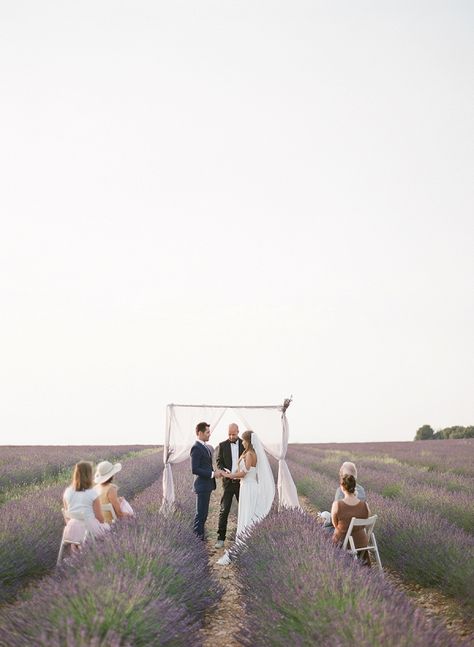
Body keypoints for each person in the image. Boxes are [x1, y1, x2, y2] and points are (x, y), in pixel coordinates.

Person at [217, 430, 275, 565]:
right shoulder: (248, 453)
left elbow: (243, 473)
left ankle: (242, 546)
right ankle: (244, 546)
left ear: (248, 441)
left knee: (247, 516)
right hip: (246, 487)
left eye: (243, 440)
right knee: (245, 515)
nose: (242, 442)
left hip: (249, 487)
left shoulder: (249, 454)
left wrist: (229, 475)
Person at [62, 461, 110, 550]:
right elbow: (100, 519)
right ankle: (100, 556)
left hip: (71, 531)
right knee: (108, 528)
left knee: (79, 535)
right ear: (89, 475)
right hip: (89, 530)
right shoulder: (92, 493)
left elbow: (67, 516)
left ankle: (77, 554)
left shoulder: (67, 492)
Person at [190, 421, 223, 540]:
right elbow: (195, 469)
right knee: (200, 515)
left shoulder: (204, 446)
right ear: (200, 433)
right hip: (202, 486)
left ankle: (199, 540)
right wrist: (213, 474)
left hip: (206, 486)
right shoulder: (196, 448)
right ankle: (197, 541)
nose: (210, 434)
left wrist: (216, 473)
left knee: (203, 515)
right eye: (207, 432)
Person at [215, 423, 244, 548]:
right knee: (224, 510)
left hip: (241, 483)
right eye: (229, 434)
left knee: (243, 509)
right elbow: (218, 462)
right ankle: (220, 539)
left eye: (234, 434)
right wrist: (223, 470)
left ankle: (243, 537)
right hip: (227, 483)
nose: (231, 436)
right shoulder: (222, 445)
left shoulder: (244, 444)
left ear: (238, 432)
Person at [331, 473, 371, 565]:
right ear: (354, 486)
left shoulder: (337, 505)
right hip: (361, 543)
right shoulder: (365, 505)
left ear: (342, 487)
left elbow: (335, 525)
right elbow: (366, 520)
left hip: (344, 542)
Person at [320, 461, 366, 531]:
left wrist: (327, 517)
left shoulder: (341, 491)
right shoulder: (362, 490)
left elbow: (336, 518)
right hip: (358, 532)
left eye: (341, 474)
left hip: (344, 533)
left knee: (319, 528)